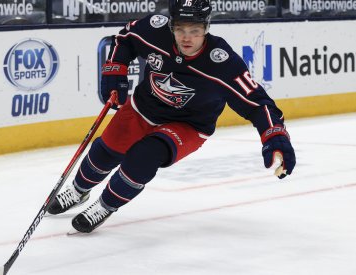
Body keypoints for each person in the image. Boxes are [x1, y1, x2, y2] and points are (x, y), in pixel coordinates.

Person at [47, 0, 296, 233]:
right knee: (106, 150)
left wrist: (275, 138)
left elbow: (257, 103)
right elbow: (125, 38)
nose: (187, 37)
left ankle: (106, 205)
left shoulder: (223, 63)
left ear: (207, 28)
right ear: (171, 25)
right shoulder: (155, 31)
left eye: (195, 30)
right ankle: (79, 190)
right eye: (180, 29)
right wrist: (114, 70)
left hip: (188, 125)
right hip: (143, 107)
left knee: (143, 157)